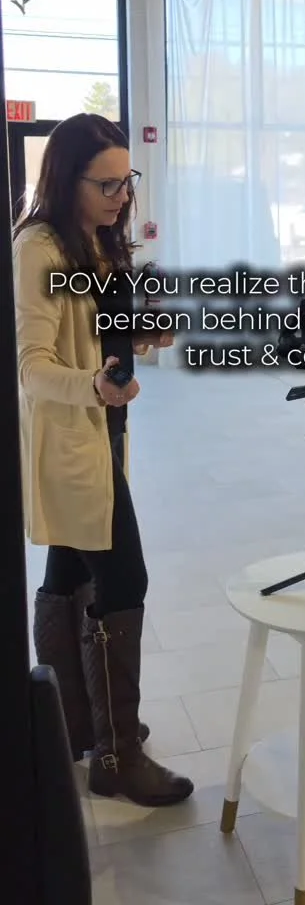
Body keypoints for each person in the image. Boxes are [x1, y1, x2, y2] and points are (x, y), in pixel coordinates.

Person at [12, 113, 193, 807]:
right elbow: (33, 366)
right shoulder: (40, 248)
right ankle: (117, 757)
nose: (122, 196)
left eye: (127, 181)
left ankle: (72, 730)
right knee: (123, 576)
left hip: (103, 432)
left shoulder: (96, 240)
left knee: (69, 571)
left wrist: (144, 332)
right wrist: (92, 384)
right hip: (71, 442)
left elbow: (98, 335)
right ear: (68, 179)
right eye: (107, 184)